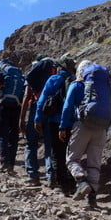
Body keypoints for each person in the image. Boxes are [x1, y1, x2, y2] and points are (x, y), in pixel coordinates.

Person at [59, 60, 110, 210]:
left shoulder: (76, 85)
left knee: (72, 159)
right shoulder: (102, 88)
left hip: (82, 125)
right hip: (101, 127)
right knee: (94, 164)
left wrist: (63, 126)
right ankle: (92, 200)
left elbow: (67, 106)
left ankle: (82, 182)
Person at [35, 58, 76, 194]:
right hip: (73, 122)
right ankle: (73, 185)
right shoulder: (76, 80)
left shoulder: (53, 79)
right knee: (71, 154)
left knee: (57, 153)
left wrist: (38, 119)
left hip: (55, 121)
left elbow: (42, 100)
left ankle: (61, 185)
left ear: (60, 67)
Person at [20, 57, 56, 186]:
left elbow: (26, 96)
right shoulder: (55, 72)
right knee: (49, 144)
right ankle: (51, 176)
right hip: (52, 109)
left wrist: (22, 118)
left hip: (36, 107)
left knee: (31, 143)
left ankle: (32, 175)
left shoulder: (34, 75)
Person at [0, 59, 24, 172]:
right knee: (13, 136)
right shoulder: (20, 76)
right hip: (16, 107)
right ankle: (12, 163)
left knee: (2, 134)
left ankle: (4, 161)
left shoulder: (0, 74)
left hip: (3, 106)